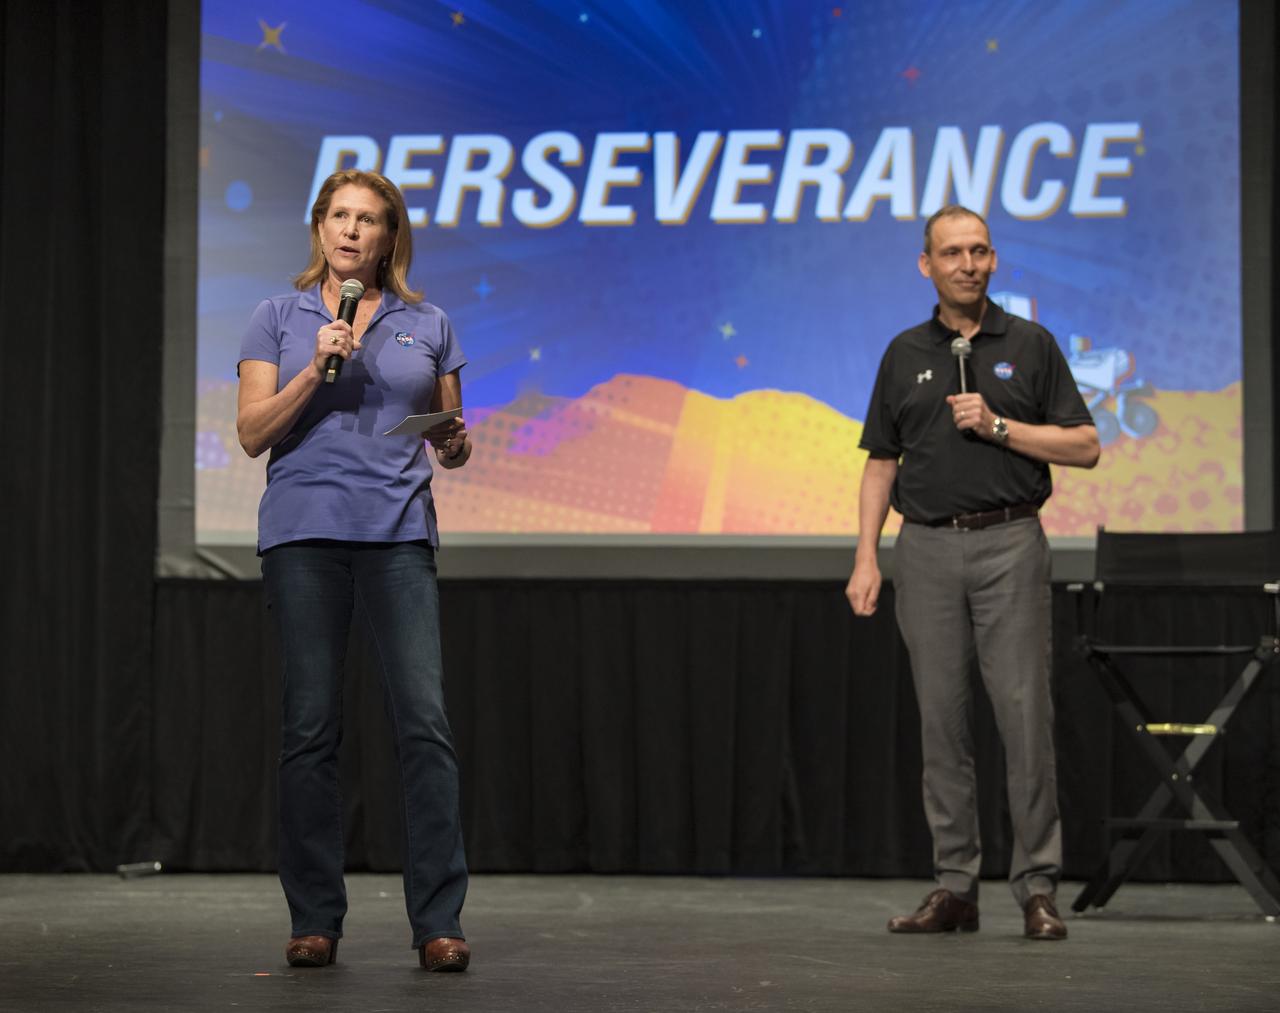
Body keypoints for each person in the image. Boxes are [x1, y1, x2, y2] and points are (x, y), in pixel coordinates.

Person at [237, 169, 472, 971]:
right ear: (319, 228)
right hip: (304, 537)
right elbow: (251, 432)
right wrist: (315, 366)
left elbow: (452, 431)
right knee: (310, 729)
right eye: (338, 215)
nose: (351, 230)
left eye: (368, 219)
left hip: (399, 535)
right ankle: (314, 918)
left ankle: (439, 921)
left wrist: (453, 442)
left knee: (426, 725)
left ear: (388, 237)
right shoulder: (278, 317)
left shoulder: (428, 321)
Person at [845, 205, 1099, 941]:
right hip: (923, 549)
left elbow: (1085, 446)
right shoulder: (903, 352)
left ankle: (1037, 885)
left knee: (1024, 720)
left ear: (994, 260)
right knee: (941, 723)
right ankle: (955, 885)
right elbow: (881, 462)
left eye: (979, 250)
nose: (968, 263)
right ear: (926, 265)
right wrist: (866, 554)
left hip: (1010, 542)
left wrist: (997, 426)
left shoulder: (1031, 343)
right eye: (952, 252)